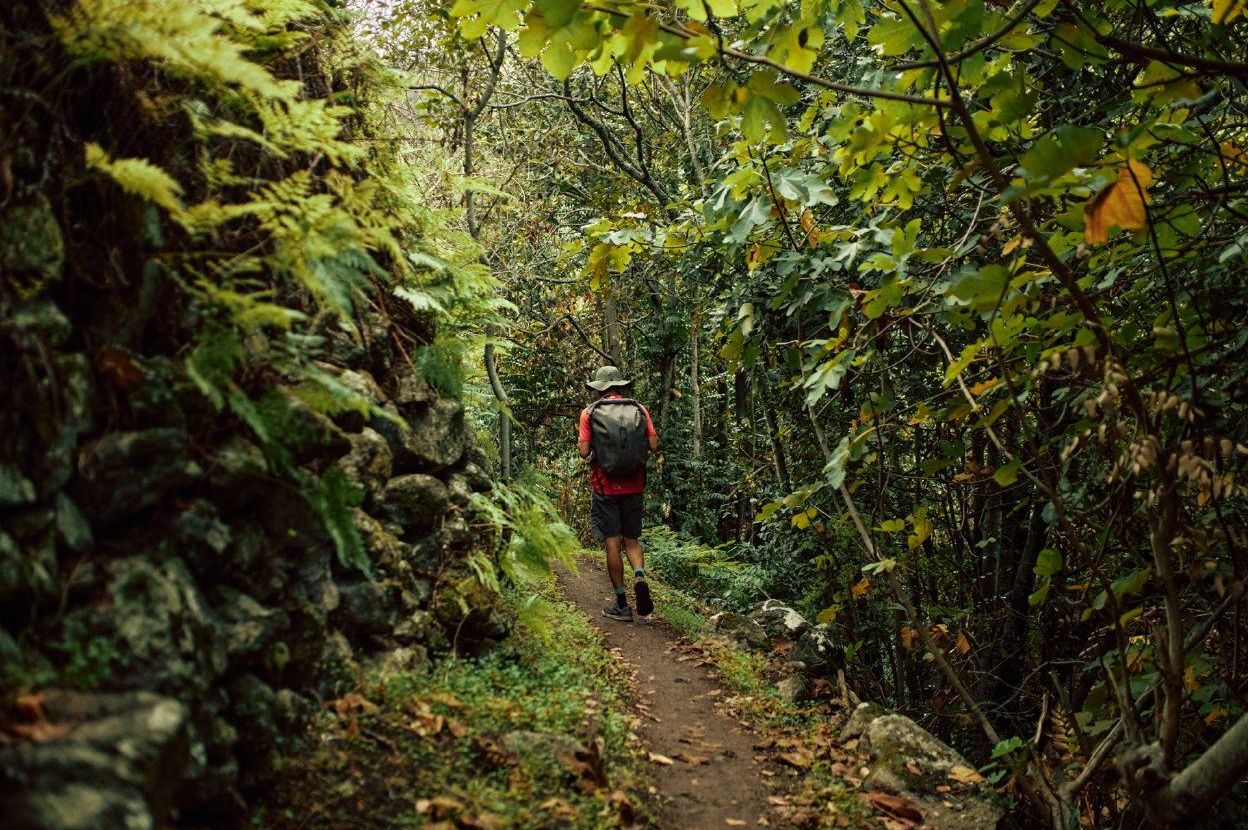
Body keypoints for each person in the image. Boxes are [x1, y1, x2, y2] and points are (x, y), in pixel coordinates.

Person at [577, 366, 659, 621]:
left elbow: (583, 451)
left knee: (612, 543)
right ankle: (639, 577)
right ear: (620, 386)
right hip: (635, 485)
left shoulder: (589, 413)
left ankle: (622, 604)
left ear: (600, 388)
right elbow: (654, 444)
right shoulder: (639, 409)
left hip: (605, 487)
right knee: (631, 540)